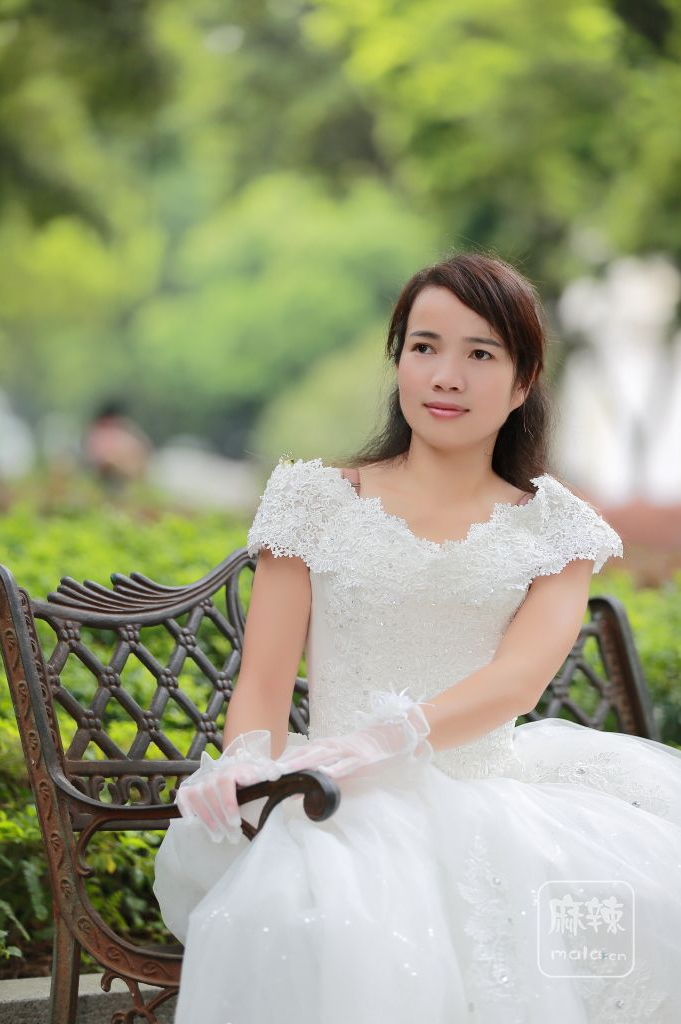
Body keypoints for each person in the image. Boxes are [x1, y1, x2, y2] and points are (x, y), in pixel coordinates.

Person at [153, 252, 681, 1023]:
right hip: (331, 800)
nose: (446, 377)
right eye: (424, 347)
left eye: (480, 355)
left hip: (490, 800)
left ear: (523, 382)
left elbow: (517, 681)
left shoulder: (557, 530)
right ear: (397, 359)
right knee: (323, 922)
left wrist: (391, 737)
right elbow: (263, 681)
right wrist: (246, 768)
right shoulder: (312, 501)